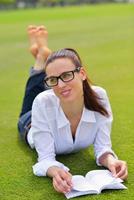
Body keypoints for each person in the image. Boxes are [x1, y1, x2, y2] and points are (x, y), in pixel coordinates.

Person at [18, 25, 128, 194]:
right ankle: (40, 60)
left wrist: (111, 161)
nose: (61, 85)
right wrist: (55, 172)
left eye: (67, 75)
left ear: (82, 73)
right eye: (53, 79)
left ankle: (41, 57)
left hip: (50, 105)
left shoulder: (99, 96)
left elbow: (103, 148)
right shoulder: (42, 101)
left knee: (43, 92)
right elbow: (45, 159)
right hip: (30, 122)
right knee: (33, 94)